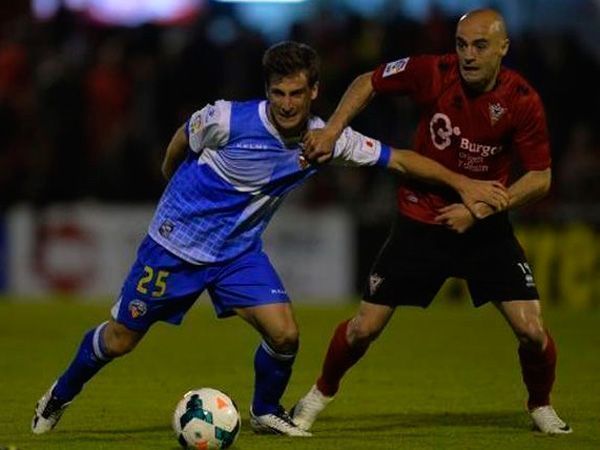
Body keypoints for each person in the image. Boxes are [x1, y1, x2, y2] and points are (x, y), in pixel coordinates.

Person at [31, 41, 507, 438]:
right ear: (267, 92)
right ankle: (58, 396)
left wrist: (463, 185)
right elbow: (182, 137)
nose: (286, 103)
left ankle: (264, 410)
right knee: (119, 340)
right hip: (174, 248)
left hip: (236, 254)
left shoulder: (324, 140)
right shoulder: (227, 119)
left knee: (285, 334)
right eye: (278, 92)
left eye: (296, 93)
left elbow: (400, 160)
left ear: (314, 91)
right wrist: (168, 178)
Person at [292, 9, 572, 435]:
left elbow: (541, 177)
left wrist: (485, 207)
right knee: (363, 329)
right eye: (461, 44)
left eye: (480, 45)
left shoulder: (522, 99)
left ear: (503, 48)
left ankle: (541, 405)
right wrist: (331, 130)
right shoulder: (432, 72)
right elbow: (369, 79)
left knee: (532, 331)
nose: (468, 55)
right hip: (420, 217)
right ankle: (317, 395)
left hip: (485, 226)